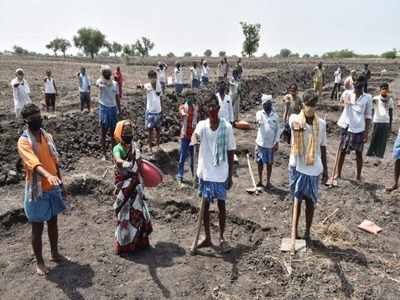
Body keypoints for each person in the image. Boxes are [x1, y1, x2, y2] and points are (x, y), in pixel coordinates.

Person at [17, 103, 67, 275]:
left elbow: (55, 161)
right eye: (33, 117)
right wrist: (48, 176)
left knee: (53, 221)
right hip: (37, 190)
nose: (38, 118)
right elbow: (33, 164)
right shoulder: (24, 142)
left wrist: (60, 181)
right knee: (37, 227)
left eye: (38, 114)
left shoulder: (47, 136)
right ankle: (39, 263)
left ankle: (54, 253)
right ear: (26, 121)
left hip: (53, 187)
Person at [191, 93, 236, 250]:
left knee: (221, 206)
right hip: (205, 173)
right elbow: (194, 143)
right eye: (209, 107)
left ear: (218, 108)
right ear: (206, 109)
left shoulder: (227, 127)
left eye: (214, 107)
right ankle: (208, 237)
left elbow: (231, 152)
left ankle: (222, 238)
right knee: (204, 207)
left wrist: (230, 175)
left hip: (221, 173)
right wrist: (194, 137)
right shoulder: (202, 126)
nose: (212, 110)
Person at [288, 90, 328, 252]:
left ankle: (307, 232)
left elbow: (323, 147)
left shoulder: (322, 125)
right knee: (296, 200)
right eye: (307, 105)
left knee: (310, 202)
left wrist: (325, 170)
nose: (310, 108)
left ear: (316, 105)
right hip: (297, 165)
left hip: (314, 167)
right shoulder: (296, 120)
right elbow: (291, 121)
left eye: (313, 105)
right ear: (303, 105)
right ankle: (294, 231)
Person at [112, 120, 152, 255]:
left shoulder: (134, 147)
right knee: (124, 215)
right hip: (124, 187)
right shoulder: (117, 148)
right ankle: (124, 245)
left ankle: (139, 242)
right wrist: (125, 164)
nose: (128, 134)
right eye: (125, 132)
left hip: (135, 185)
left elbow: (140, 164)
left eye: (130, 132)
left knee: (137, 214)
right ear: (119, 134)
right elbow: (118, 160)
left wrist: (138, 157)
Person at [330, 74, 372, 185]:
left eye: (360, 83)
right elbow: (341, 103)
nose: (357, 85)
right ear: (353, 83)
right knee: (342, 151)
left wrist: (366, 133)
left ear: (363, 84)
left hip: (359, 129)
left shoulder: (367, 97)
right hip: (346, 126)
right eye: (356, 82)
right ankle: (338, 174)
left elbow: (368, 116)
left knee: (359, 153)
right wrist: (345, 102)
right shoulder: (347, 93)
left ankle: (358, 175)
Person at [255, 95, 280, 189]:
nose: (266, 105)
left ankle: (268, 182)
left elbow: (278, 130)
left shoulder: (275, 116)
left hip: (270, 145)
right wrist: (258, 121)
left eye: (268, 103)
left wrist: (277, 142)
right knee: (260, 163)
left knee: (269, 164)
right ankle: (260, 181)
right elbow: (258, 119)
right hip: (260, 143)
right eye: (264, 104)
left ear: (270, 104)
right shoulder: (259, 113)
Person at [96, 65, 121, 159]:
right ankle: (104, 154)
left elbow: (117, 97)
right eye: (105, 72)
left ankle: (114, 153)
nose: (107, 74)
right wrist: (101, 85)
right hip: (104, 108)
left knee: (113, 133)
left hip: (113, 109)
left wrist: (119, 110)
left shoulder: (115, 84)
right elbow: (97, 83)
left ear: (110, 73)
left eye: (108, 72)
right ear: (102, 73)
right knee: (103, 132)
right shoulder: (101, 81)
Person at [176, 90, 198, 186]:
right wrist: (183, 114)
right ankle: (180, 176)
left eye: (191, 96)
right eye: (188, 96)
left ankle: (194, 176)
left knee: (193, 158)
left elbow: (197, 120)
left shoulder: (195, 108)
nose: (190, 98)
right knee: (182, 157)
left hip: (193, 136)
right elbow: (181, 112)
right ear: (186, 97)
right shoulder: (183, 107)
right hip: (185, 135)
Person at [366, 82, 394, 159]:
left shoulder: (390, 100)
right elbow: (371, 109)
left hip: (386, 122)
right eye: (383, 89)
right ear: (380, 89)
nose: (384, 90)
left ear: (388, 90)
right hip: (377, 121)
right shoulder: (375, 98)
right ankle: (371, 153)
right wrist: (371, 120)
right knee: (374, 137)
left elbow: (391, 113)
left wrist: (390, 126)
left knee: (383, 139)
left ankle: (380, 154)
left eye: (386, 88)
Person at [144, 70, 162, 154]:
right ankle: (150, 147)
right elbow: (142, 87)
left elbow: (158, 94)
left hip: (158, 111)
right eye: (151, 77)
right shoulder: (147, 86)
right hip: (150, 111)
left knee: (158, 130)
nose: (153, 79)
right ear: (149, 78)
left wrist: (155, 83)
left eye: (154, 77)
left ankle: (158, 146)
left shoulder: (159, 85)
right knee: (150, 130)